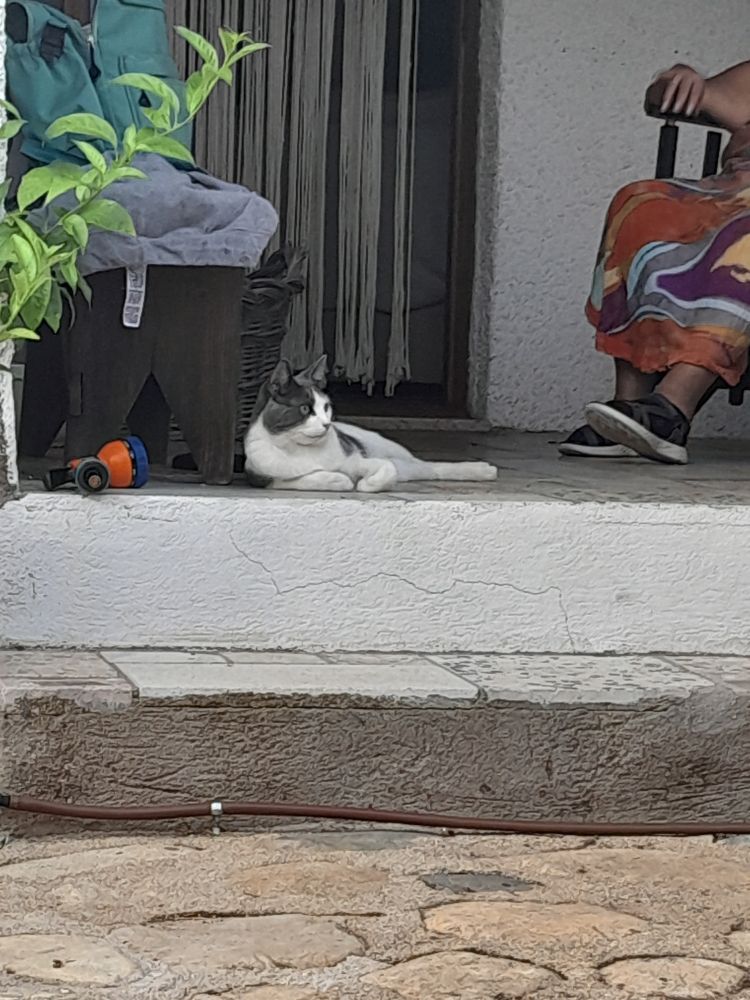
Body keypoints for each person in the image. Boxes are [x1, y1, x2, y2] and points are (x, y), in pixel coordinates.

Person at [560, 61, 750, 464]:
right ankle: (629, 408)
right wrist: (676, 80)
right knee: (641, 203)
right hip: (732, 192)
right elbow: (668, 99)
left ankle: (673, 407)